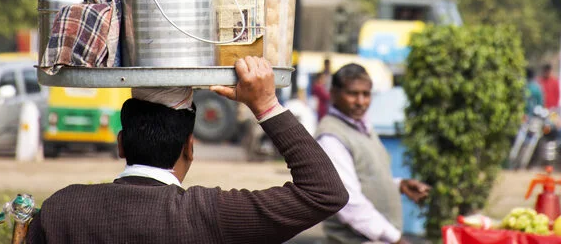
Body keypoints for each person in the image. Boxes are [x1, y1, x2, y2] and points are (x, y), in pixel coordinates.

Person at [26, 57, 348, 243]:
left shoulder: (61, 209)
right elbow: (325, 194)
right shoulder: (207, 214)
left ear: (121, 144)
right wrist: (265, 104)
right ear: (189, 148)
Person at [316, 63, 430, 244]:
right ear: (334, 94)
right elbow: (348, 202)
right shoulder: (331, 137)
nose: (361, 101)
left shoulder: (362, 127)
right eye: (352, 94)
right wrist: (396, 238)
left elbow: (365, 178)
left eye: (366, 94)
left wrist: (399, 185)